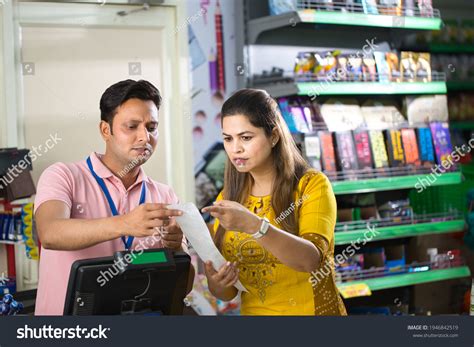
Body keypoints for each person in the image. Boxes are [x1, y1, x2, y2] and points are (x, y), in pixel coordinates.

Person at [34, 80, 192, 315]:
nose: (145, 137)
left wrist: (177, 247)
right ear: (105, 130)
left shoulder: (164, 194)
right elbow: (50, 234)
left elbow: (183, 287)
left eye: (151, 127)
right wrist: (125, 223)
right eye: (132, 126)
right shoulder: (63, 175)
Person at [202, 89, 346, 315]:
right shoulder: (228, 198)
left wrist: (254, 226)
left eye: (246, 137)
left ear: (274, 136)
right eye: (228, 139)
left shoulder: (311, 186)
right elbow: (227, 294)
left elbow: (311, 260)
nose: (235, 148)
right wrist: (218, 282)